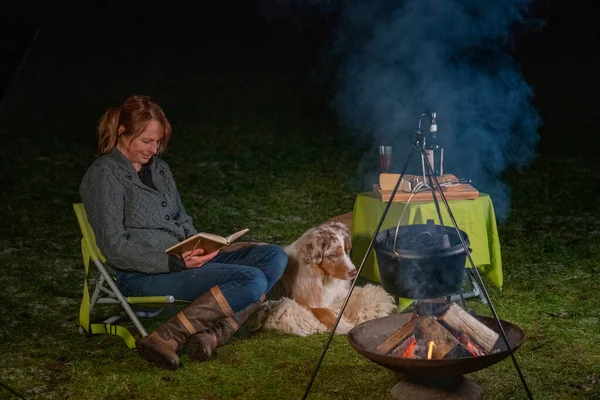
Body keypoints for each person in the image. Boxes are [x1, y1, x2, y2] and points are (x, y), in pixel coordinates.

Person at [80, 95, 288, 370]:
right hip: (146, 275)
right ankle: (167, 336)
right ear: (122, 132)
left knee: (274, 256)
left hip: (185, 260)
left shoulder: (159, 169)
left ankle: (212, 334)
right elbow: (115, 248)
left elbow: (181, 216)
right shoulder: (104, 175)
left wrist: (200, 244)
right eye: (146, 141)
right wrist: (174, 262)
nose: (154, 149)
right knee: (252, 280)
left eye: (158, 142)